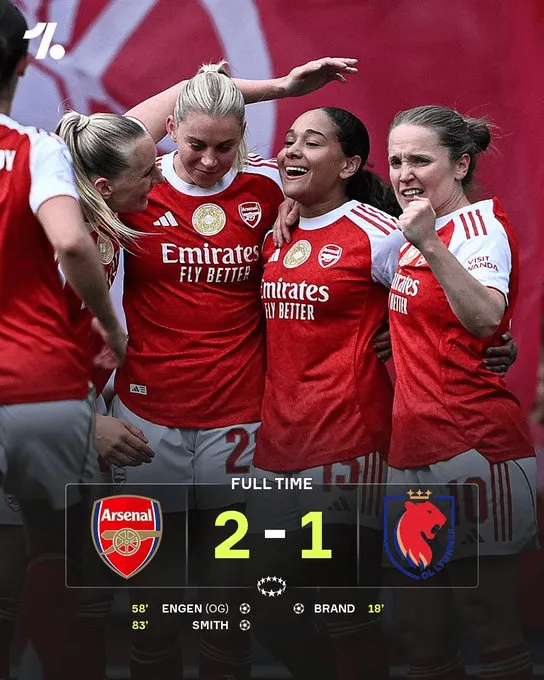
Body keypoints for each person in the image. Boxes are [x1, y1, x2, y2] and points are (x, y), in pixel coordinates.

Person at [247, 106, 403, 680]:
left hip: (348, 442)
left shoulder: (378, 233)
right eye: (289, 139)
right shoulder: (275, 232)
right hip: (276, 448)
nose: (291, 150)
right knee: (264, 608)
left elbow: (449, 297)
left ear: (350, 164)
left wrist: (490, 343)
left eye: (311, 143)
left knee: (344, 613)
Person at [386, 105, 538, 680]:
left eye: (420, 160)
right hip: (411, 450)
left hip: (475, 445)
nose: (404, 173)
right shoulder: (409, 231)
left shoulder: (477, 228)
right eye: (396, 160)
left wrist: (431, 245)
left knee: (486, 620)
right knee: (418, 630)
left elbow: (485, 318)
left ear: (461, 165)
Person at [0, 2, 126, 679]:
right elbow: (72, 243)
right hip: (40, 390)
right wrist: (107, 322)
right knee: (56, 549)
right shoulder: (35, 149)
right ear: (26, 62)